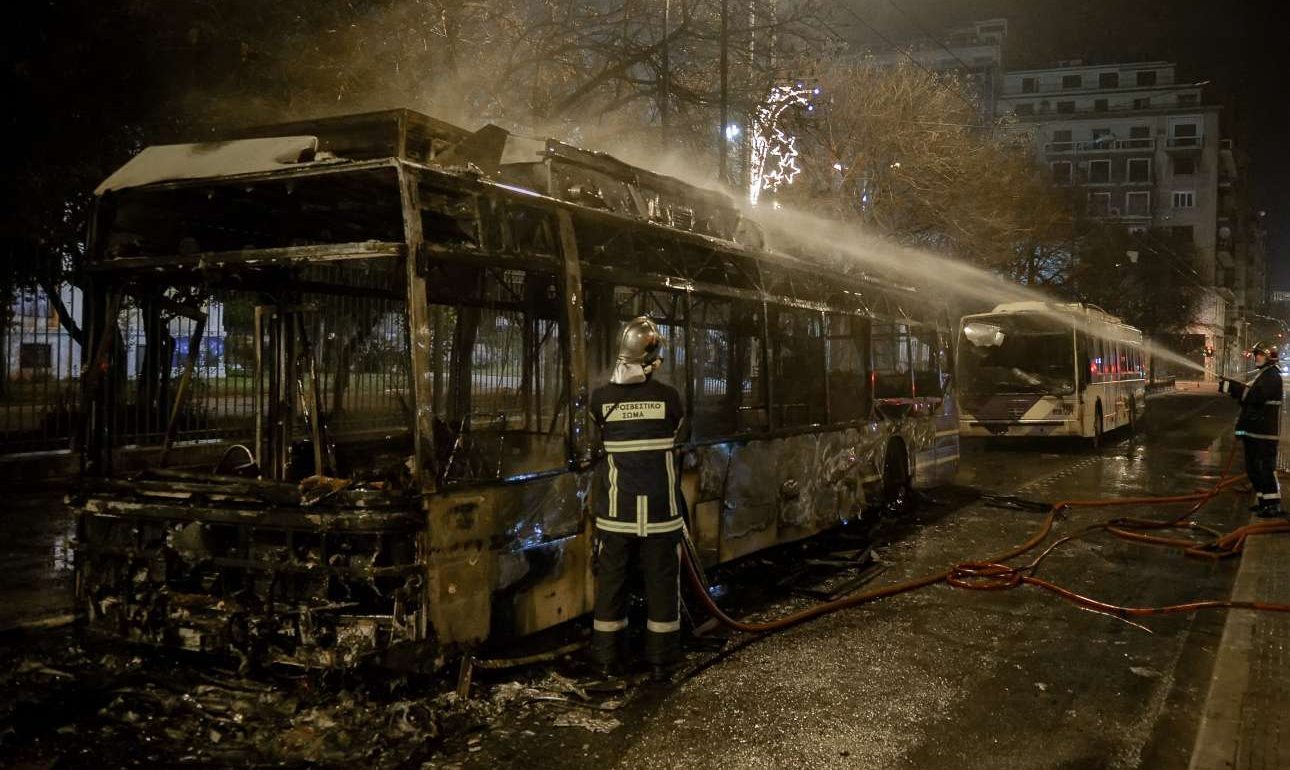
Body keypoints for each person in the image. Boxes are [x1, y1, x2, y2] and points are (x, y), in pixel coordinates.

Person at [589, 316, 688, 679]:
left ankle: (606, 660)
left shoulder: (600, 400)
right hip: (661, 514)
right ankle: (661, 662)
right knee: (662, 587)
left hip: (617, 514)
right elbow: (679, 433)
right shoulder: (669, 399)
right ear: (650, 360)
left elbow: (595, 442)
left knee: (611, 587)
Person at [1219, 342, 1284, 518]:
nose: (1257, 357)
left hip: (1264, 433)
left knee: (1265, 469)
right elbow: (1249, 398)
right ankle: (1263, 502)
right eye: (1256, 354)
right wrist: (1232, 387)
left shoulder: (1272, 376)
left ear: (1269, 357)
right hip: (1254, 431)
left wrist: (1233, 388)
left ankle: (1273, 505)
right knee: (1254, 469)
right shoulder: (1263, 375)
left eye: (1260, 354)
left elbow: (1256, 397)